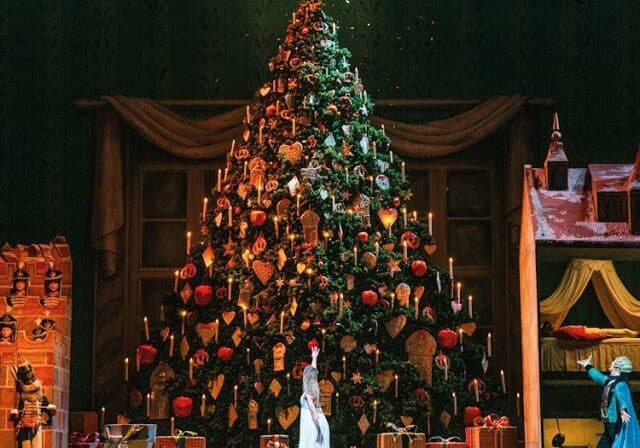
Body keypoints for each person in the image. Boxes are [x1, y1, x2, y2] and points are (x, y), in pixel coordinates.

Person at [577, 355, 640, 448]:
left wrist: (622, 409)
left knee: (616, 443)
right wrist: (587, 365)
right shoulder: (610, 381)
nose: (612, 362)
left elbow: (622, 396)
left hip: (613, 422)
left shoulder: (621, 383)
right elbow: (598, 377)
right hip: (608, 421)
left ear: (617, 367)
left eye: (614, 361)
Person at [299, 346, 330, 448]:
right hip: (313, 417)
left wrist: (315, 415)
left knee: (311, 441)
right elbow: (313, 371)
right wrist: (314, 357)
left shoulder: (309, 388)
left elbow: (310, 402)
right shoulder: (312, 386)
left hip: (310, 419)